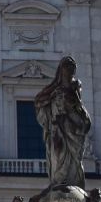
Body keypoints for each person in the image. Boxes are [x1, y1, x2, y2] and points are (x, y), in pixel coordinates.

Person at [33, 56, 90, 188]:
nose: (70, 71)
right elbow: (40, 101)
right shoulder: (53, 90)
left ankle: (70, 183)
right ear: (61, 71)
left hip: (72, 127)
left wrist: (74, 102)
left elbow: (79, 108)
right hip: (57, 127)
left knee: (74, 159)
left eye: (72, 69)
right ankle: (59, 181)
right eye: (67, 68)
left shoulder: (75, 89)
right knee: (58, 153)